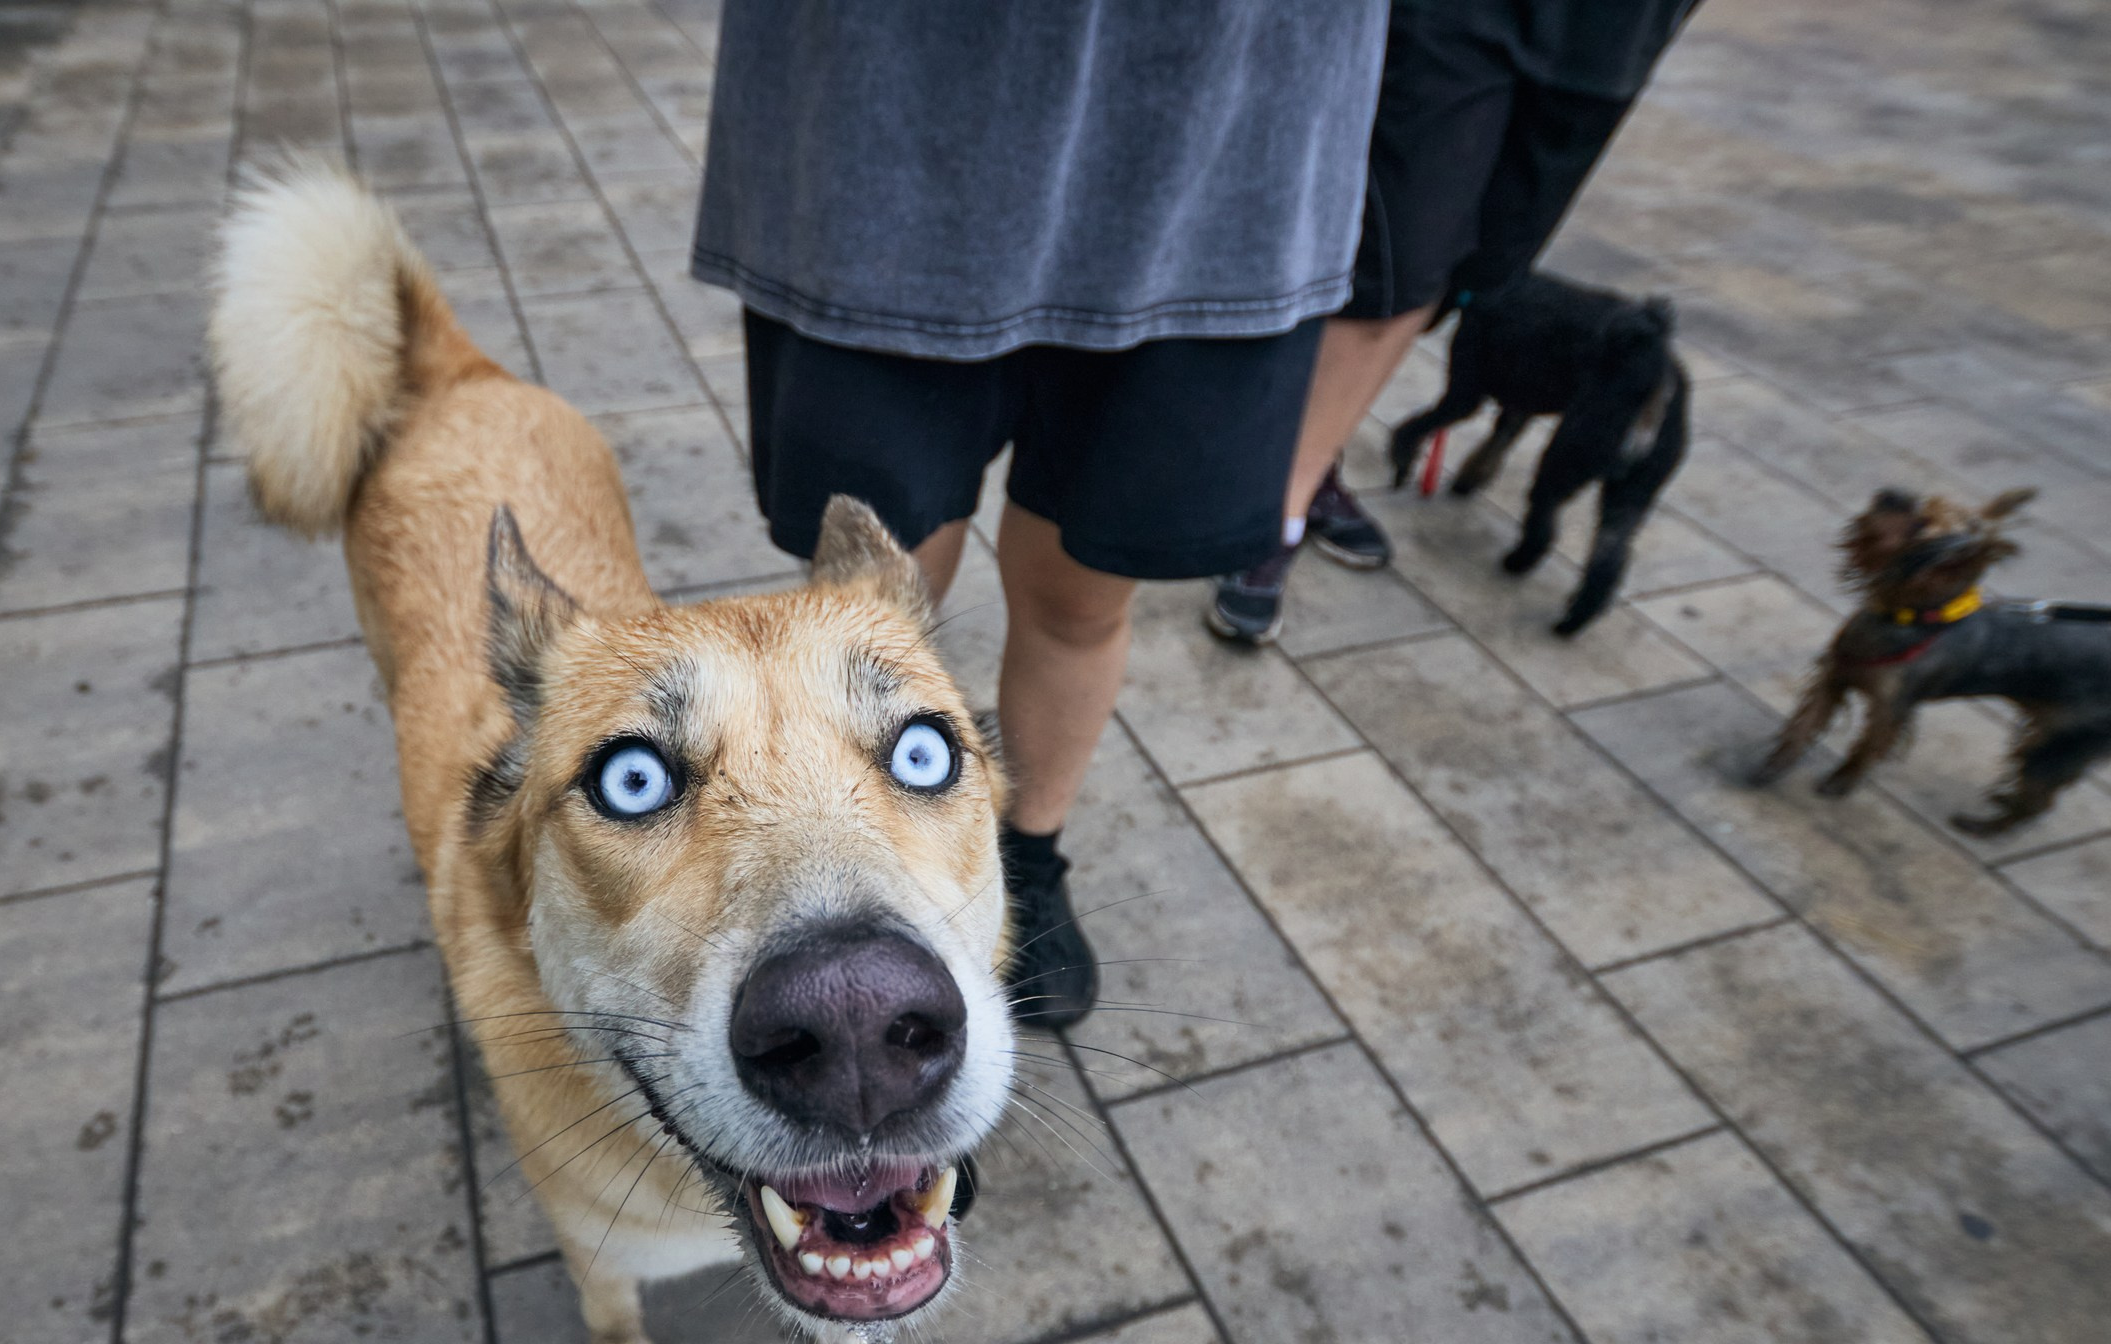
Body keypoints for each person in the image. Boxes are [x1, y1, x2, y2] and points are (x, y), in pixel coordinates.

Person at [693, 3, 1387, 1027]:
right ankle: (844, 859)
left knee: (1079, 598)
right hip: (883, 127)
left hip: (1219, 148)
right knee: (866, 610)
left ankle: (1027, 852)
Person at [1208, 0, 1703, 644]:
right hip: (1462, 15)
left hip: (1614, 28)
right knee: (1399, 254)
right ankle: (1280, 508)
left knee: (1482, 268)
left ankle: (1311, 453)